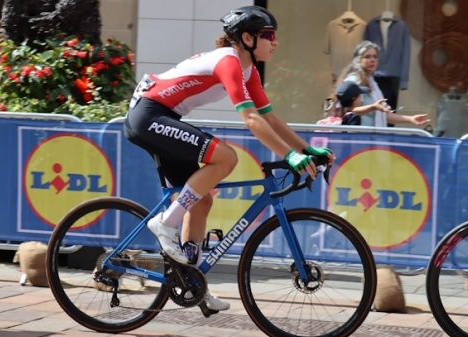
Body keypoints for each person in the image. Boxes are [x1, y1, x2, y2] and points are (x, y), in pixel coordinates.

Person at [123, 5, 334, 311]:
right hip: (149, 114)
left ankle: (190, 279)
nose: (275, 42)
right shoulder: (229, 61)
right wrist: (288, 155)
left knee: (202, 200)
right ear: (246, 37)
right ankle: (165, 223)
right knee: (226, 157)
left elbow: (269, 118)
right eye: (268, 35)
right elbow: (250, 119)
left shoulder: (248, 70)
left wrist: (305, 150)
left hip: (162, 115)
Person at [336, 40, 429, 127]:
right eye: (367, 57)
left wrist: (410, 119)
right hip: (359, 137)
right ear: (358, 60)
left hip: (374, 137)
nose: (372, 60)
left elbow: (384, 116)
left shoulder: (372, 83)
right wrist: (373, 107)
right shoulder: (353, 81)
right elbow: (347, 111)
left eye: (375, 56)